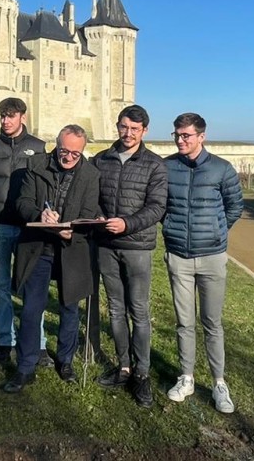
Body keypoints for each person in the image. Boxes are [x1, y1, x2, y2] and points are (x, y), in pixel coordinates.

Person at [3, 125, 100, 393]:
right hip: (38, 246)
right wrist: (38, 215)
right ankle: (25, 367)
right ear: (55, 145)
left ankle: (66, 362)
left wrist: (74, 229)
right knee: (32, 309)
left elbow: (90, 211)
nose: (68, 157)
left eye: (75, 154)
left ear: (83, 152)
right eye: (63, 151)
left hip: (72, 247)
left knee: (70, 307)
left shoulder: (91, 175)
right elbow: (22, 203)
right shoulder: (35, 165)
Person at [162, 112, 243, 413]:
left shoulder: (222, 169)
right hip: (178, 255)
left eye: (186, 135)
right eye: (177, 135)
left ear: (201, 136)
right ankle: (186, 377)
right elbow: (160, 204)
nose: (181, 140)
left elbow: (235, 206)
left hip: (212, 256)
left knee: (212, 323)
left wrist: (217, 233)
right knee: (184, 322)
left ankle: (219, 382)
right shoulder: (167, 167)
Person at [92, 105, 168, 408]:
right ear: (117, 126)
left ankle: (142, 373)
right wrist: (98, 218)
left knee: (139, 311)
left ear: (145, 131)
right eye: (124, 127)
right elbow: (91, 198)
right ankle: (123, 367)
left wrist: (127, 224)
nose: (128, 133)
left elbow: (156, 207)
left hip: (137, 246)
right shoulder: (101, 161)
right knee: (114, 309)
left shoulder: (154, 165)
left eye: (135, 129)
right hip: (106, 245)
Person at [0, 97, 53, 366]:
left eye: (11, 115)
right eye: (3, 116)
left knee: (33, 286)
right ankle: (5, 340)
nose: (6, 121)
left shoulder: (38, 148)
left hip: (28, 227)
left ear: (23, 117)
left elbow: (45, 187)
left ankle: (37, 344)